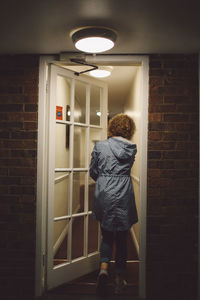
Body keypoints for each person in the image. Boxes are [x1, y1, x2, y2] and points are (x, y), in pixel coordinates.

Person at [89, 113, 138, 295]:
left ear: (112, 127)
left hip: (105, 192)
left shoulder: (100, 146)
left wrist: (103, 179)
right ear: (129, 129)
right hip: (124, 191)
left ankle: (103, 269)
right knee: (122, 238)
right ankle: (119, 279)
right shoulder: (131, 148)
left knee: (107, 234)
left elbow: (93, 171)